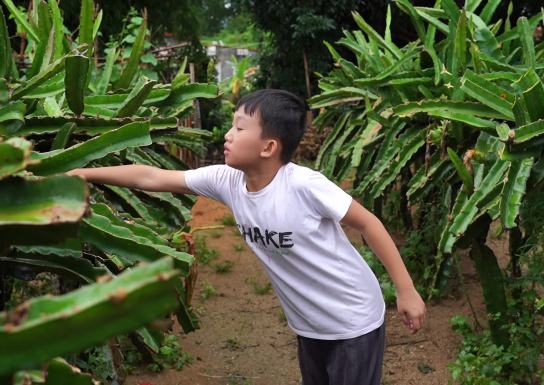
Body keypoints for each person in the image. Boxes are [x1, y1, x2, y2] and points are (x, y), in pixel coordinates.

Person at [66, 89, 426, 385]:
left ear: (268, 146)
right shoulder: (227, 181)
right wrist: (81, 172)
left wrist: (405, 291)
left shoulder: (304, 186)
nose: (228, 134)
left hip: (352, 320)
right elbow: (152, 177)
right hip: (309, 323)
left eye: (239, 128)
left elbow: (369, 224)